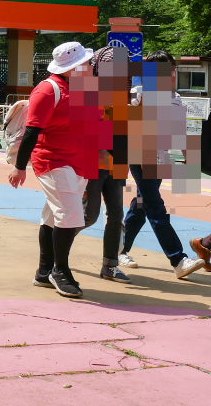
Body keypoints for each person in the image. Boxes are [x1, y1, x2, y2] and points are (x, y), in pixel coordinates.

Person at [8, 41, 94, 298]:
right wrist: (19, 167)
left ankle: (44, 272)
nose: (89, 67)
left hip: (78, 161)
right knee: (69, 214)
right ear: (72, 68)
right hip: (52, 160)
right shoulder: (48, 90)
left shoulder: (81, 88)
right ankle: (61, 271)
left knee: (54, 216)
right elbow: (32, 130)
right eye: (85, 63)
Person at [118, 50, 206, 279]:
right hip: (140, 155)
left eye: (172, 69)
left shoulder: (175, 97)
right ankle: (178, 259)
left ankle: (118, 249)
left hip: (160, 156)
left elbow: (178, 133)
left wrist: (189, 158)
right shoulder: (138, 93)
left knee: (140, 206)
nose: (170, 74)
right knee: (156, 207)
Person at [80, 46, 131, 283]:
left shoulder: (124, 93)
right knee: (89, 215)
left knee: (116, 215)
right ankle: (54, 241)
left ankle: (110, 265)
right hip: (95, 158)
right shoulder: (89, 91)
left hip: (117, 158)